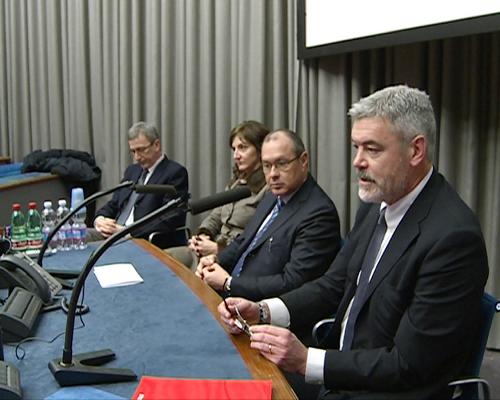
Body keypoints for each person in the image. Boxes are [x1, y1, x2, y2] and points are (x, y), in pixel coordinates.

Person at [218, 85, 489, 399]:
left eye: (372, 149)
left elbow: (409, 365)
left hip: (384, 389)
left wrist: (308, 361)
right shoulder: (376, 205)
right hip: (342, 368)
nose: (357, 161)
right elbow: (333, 285)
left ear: (415, 150)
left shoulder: (453, 239)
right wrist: (263, 311)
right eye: (356, 148)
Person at [197, 129, 341, 301]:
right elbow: (244, 241)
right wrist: (216, 260)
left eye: (281, 163)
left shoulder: (319, 214)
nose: (273, 174)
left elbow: (292, 282)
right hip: (232, 295)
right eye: (267, 165)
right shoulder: (273, 195)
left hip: (260, 310)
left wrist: (229, 283)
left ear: (303, 161)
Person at [166, 120, 269, 270]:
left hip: (233, 258)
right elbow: (216, 215)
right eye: (234, 149)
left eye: (242, 148)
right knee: (161, 260)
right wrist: (203, 235)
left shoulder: (268, 189)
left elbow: (258, 237)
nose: (236, 155)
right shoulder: (236, 181)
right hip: (211, 248)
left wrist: (218, 248)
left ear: (260, 150)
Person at [89, 121, 189, 248]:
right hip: (113, 234)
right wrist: (100, 219)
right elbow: (114, 204)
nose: (137, 157)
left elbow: (169, 219)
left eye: (141, 150)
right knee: (79, 238)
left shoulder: (174, 173)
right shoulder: (132, 171)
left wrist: (128, 231)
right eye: (133, 151)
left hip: (141, 240)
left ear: (157, 145)